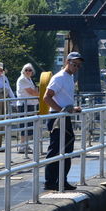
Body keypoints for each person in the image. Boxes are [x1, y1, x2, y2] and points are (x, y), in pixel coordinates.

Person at [43, 52, 84, 191]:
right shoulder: (59, 77)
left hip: (64, 116)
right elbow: (46, 97)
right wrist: (61, 110)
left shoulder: (69, 78)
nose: (76, 67)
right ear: (67, 62)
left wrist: (73, 108)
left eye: (78, 65)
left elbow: (64, 98)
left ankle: (62, 180)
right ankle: (50, 182)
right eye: (74, 64)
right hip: (57, 117)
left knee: (67, 148)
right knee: (55, 150)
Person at [16, 63, 39, 153]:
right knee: (24, 125)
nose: (28, 72)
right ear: (23, 71)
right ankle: (22, 146)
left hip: (30, 104)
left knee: (29, 125)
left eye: (30, 70)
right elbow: (32, 92)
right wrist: (42, 95)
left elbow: (34, 91)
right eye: (26, 70)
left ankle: (26, 144)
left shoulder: (29, 79)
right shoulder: (22, 79)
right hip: (24, 104)